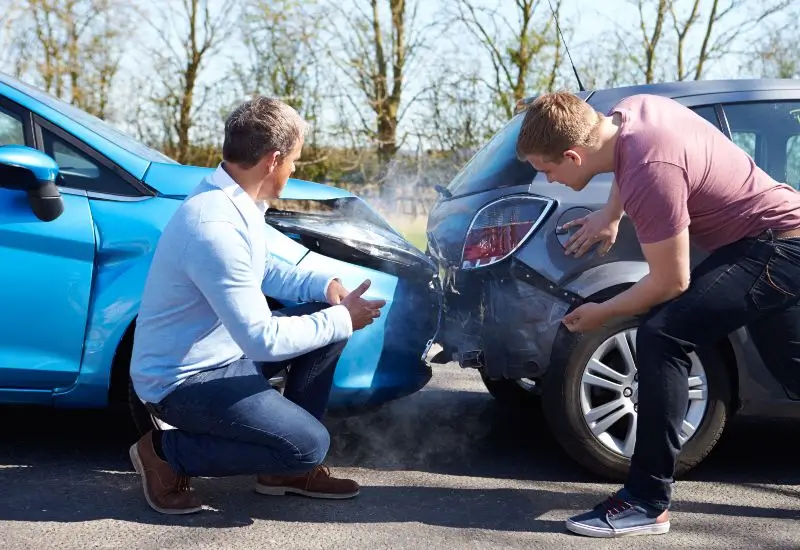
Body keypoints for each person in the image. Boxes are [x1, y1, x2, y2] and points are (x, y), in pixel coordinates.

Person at [516, 91, 800, 538]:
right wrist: (611, 214)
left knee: (662, 335)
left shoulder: (650, 169)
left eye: (547, 170)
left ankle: (646, 501)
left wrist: (602, 313)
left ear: (572, 155)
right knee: (793, 369)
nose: (549, 179)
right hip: (776, 239)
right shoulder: (632, 112)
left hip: (775, 246)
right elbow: (626, 160)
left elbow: (670, 282)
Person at [128, 96, 386, 515]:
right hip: (182, 382)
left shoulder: (232, 200)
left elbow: (262, 269)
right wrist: (341, 318)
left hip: (225, 357)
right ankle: (164, 452)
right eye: (295, 161)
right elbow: (262, 339)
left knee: (322, 326)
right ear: (273, 159)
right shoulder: (214, 226)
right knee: (310, 444)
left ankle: (282, 469)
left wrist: (326, 286)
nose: (294, 170)